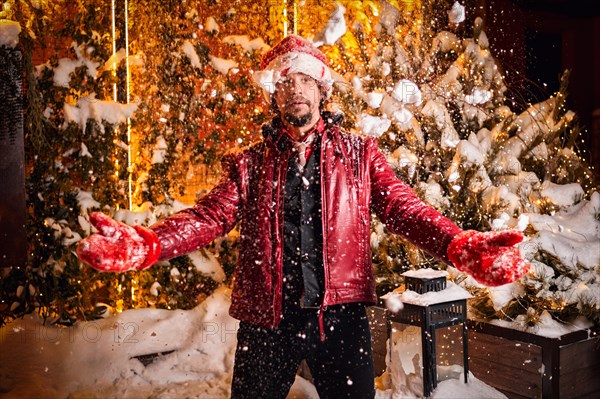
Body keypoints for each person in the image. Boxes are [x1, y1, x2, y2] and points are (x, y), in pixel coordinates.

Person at [77, 35, 530, 399]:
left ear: (321, 89)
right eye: (286, 80)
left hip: (341, 318)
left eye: (305, 80)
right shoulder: (249, 164)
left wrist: (457, 244)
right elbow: (209, 216)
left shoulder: (358, 155)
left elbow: (403, 207)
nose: (296, 89)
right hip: (266, 322)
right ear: (275, 93)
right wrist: (151, 243)